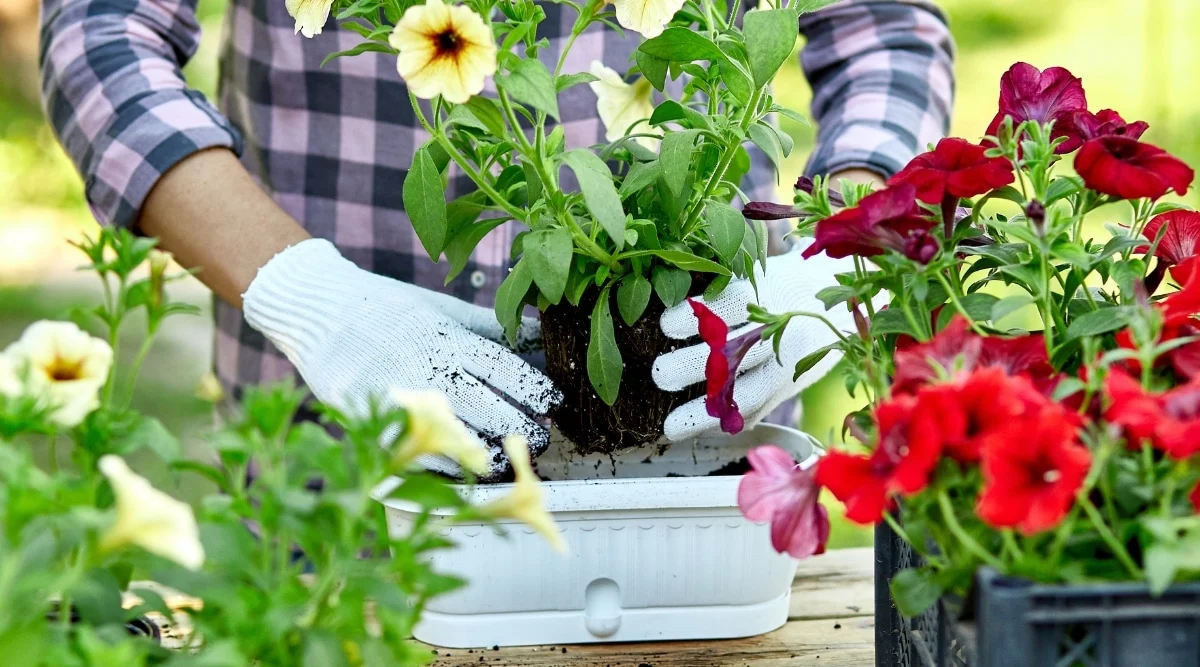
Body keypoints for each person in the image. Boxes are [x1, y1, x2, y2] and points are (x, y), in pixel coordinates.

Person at [39, 0, 954, 478]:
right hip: (337, 430)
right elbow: (98, 34)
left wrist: (839, 259)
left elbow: (883, 34)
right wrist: (307, 297)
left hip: (691, 436)